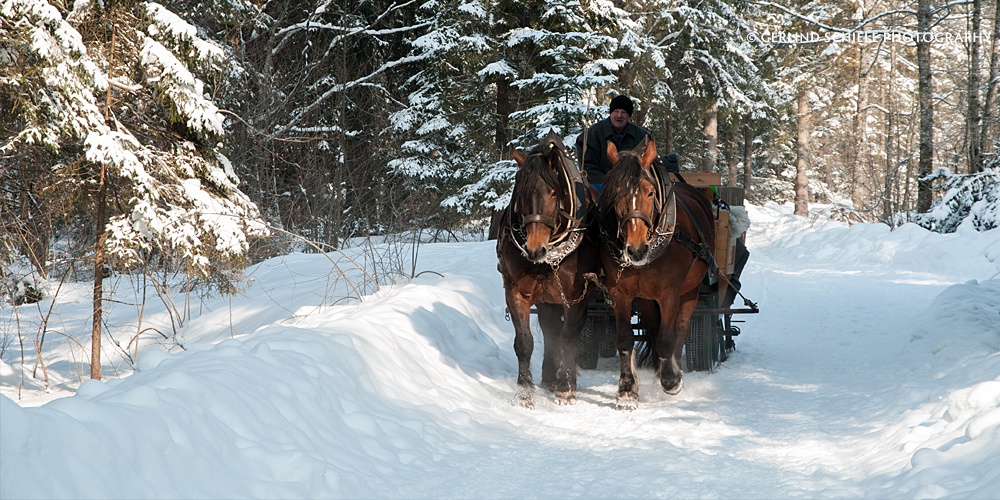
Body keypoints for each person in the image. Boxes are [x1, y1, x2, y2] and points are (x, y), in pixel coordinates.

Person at [576, 95, 652, 192]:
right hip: (599, 186)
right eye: (616, 111)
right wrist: (609, 184)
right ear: (611, 113)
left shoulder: (642, 137)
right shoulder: (591, 135)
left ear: (629, 115)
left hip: (632, 188)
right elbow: (588, 166)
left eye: (623, 112)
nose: (619, 116)